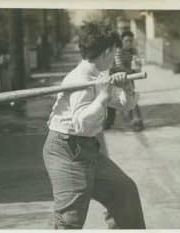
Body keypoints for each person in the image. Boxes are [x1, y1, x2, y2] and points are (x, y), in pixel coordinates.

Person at [42, 22, 146, 229]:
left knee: (123, 192)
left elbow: (126, 106)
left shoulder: (99, 75)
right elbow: (81, 124)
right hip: (66, 150)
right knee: (68, 221)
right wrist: (103, 95)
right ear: (108, 51)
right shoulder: (79, 78)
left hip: (86, 148)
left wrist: (125, 88)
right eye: (114, 51)